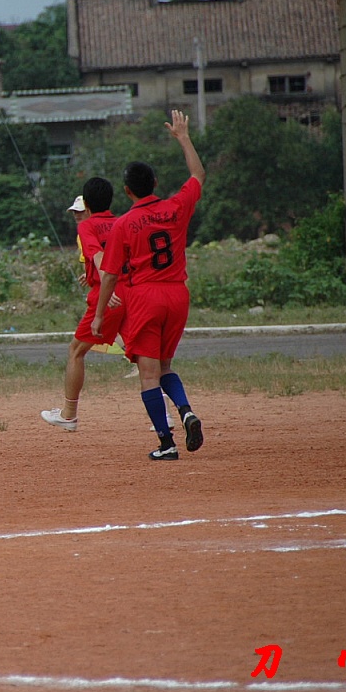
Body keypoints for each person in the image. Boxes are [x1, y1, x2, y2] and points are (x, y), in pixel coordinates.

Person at [92, 109, 205, 461]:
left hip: (145, 298)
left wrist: (99, 315)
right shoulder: (175, 207)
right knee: (165, 366)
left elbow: (110, 275)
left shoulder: (124, 224)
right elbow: (198, 175)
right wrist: (183, 138)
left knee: (148, 375)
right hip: (178, 294)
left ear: (127, 191)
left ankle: (166, 443)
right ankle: (186, 411)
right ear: (155, 182)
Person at [41, 178, 128, 431]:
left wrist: (106, 285)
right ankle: (168, 413)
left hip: (109, 293)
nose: (78, 216)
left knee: (76, 351)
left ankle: (69, 414)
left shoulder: (87, 227)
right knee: (145, 356)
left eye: (80, 211)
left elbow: (101, 260)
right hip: (133, 291)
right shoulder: (122, 222)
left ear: (87, 206)